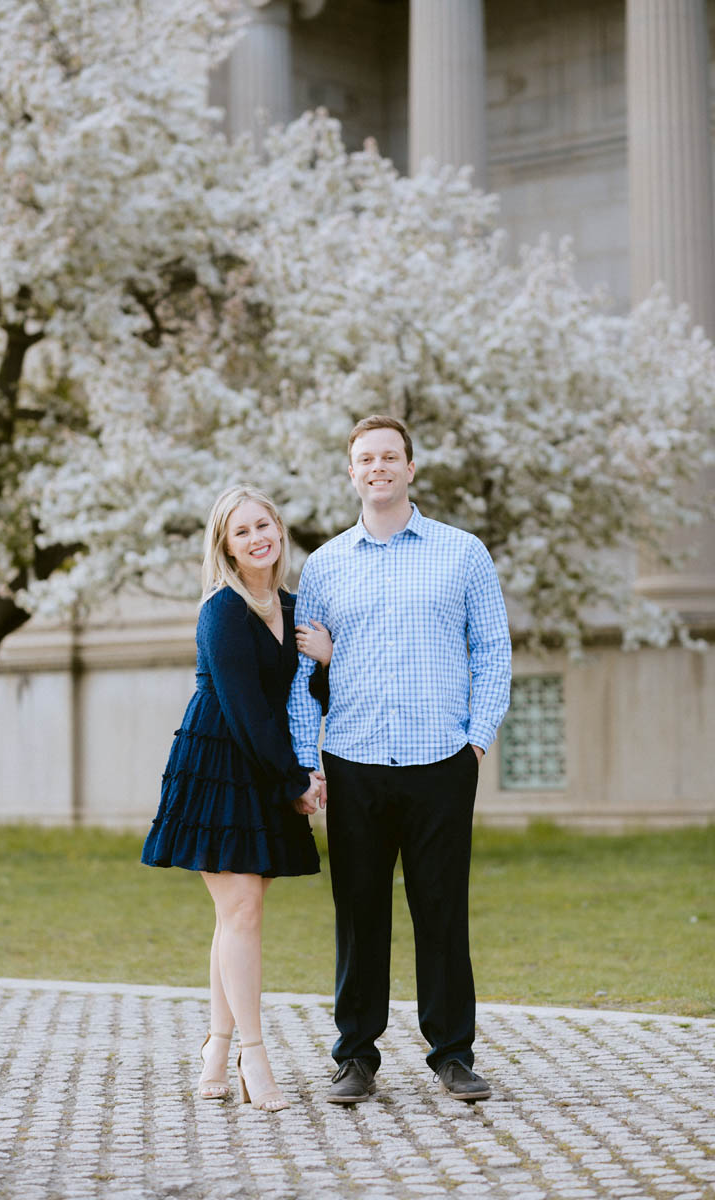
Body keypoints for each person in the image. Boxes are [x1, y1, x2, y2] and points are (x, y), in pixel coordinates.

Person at [288, 415, 511, 1105]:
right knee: (358, 913)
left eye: (390, 456)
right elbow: (303, 675)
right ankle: (356, 1055)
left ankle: (452, 1053)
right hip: (353, 762)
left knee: (441, 909)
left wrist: (478, 738)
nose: (378, 466)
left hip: (442, 759)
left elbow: (493, 650)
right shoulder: (324, 566)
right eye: (365, 458)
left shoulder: (462, 553)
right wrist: (307, 762)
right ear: (351, 473)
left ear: (410, 468)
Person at [142, 485, 332, 1112]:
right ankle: (255, 1055)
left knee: (236, 917)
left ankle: (216, 1049)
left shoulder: (293, 606)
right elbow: (246, 709)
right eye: (241, 531)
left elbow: (304, 693)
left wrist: (326, 662)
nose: (257, 538)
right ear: (226, 545)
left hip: (264, 764)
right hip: (217, 766)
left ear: (278, 529)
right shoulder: (223, 610)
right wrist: (296, 781)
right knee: (243, 910)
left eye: (264, 525)